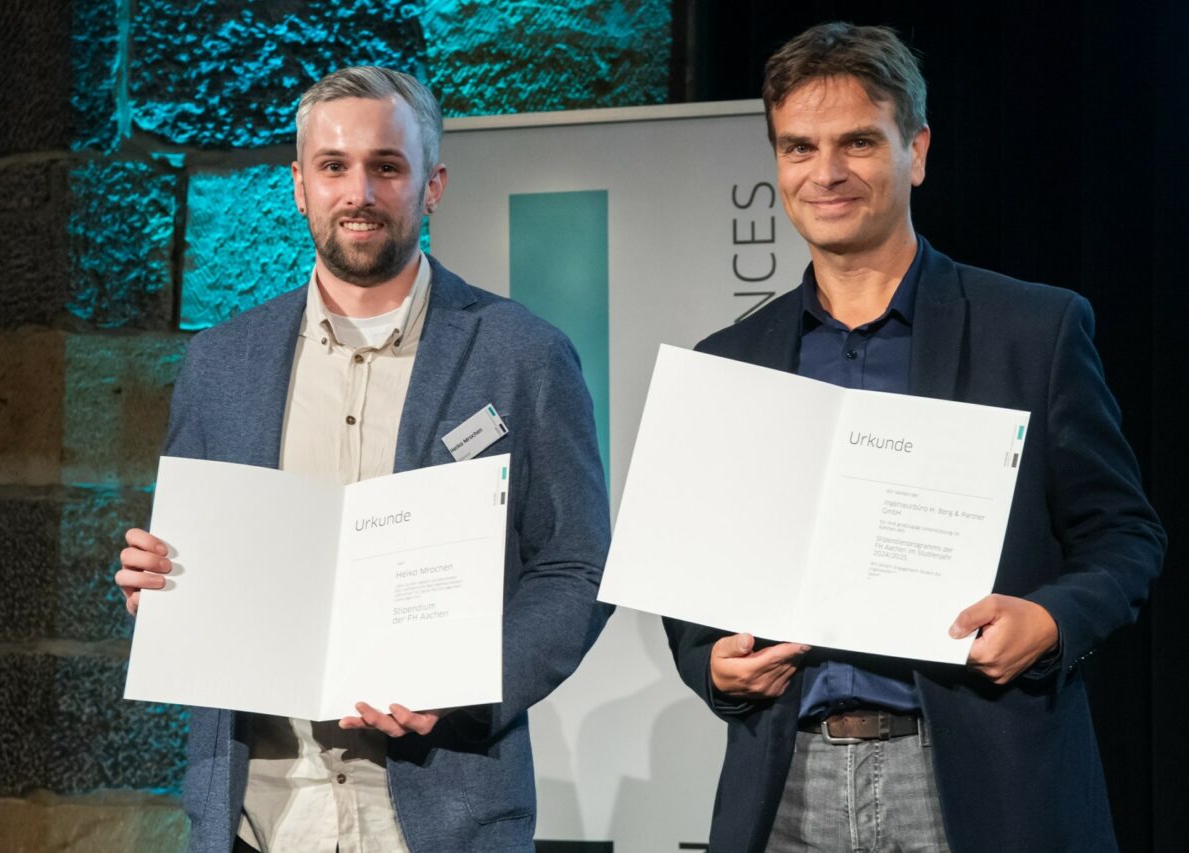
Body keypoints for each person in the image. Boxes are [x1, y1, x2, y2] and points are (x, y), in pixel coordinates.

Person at [664, 22, 1165, 853]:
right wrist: (709, 663)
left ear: (917, 150)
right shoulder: (729, 363)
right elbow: (692, 577)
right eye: (799, 147)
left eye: (858, 142)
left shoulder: (1032, 331)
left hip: (980, 777)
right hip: (787, 783)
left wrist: (1049, 620)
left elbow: (1125, 535)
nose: (826, 173)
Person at [114, 67, 611, 853]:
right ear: (299, 186)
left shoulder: (523, 354)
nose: (359, 192)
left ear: (433, 185)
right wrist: (160, 586)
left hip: (442, 820)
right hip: (256, 821)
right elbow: (194, 565)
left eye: (387, 165)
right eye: (333, 166)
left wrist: (465, 685)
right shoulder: (220, 362)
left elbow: (577, 566)